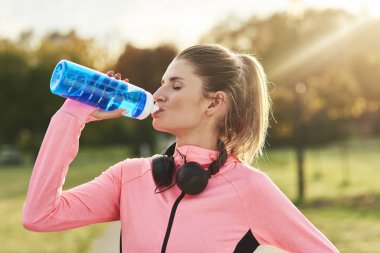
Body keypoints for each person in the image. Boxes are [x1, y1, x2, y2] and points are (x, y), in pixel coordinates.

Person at [23, 44, 339, 253]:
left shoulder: (250, 189)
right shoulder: (130, 177)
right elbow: (40, 216)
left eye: (176, 86)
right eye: (162, 83)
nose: (158, 94)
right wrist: (73, 115)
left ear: (214, 103)